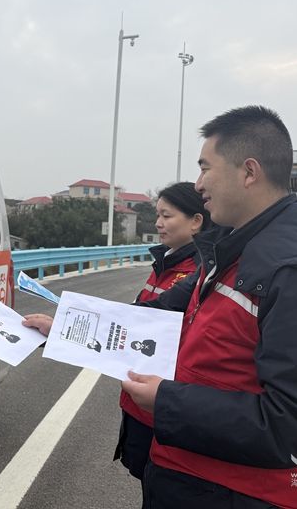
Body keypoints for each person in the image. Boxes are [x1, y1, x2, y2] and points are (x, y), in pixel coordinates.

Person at [120, 106, 297, 508]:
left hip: (235, 494)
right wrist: (69, 327)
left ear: (249, 172)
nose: (198, 184)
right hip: (186, 475)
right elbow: (160, 314)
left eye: (205, 168)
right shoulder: (234, 248)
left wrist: (168, 402)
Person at [114, 181, 211, 489]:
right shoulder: (166, 262)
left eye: (167, 216)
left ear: (196, 221)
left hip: (163, 408)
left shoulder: (200, 274)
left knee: (161, 487)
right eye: (158, 215)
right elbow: (135, 317)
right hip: (140, 403)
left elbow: (146, 319)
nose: (158, 223)